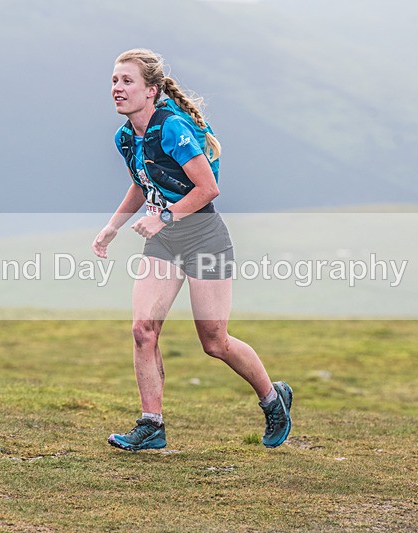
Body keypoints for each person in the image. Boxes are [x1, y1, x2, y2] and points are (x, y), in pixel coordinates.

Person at [92, 48, 292, 451]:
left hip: (203, 236)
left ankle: (273, 398)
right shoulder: (125, 136)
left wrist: (163, 217)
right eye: (114, 81)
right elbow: (142, 181)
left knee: (214, 341)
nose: (117, 88)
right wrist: (112, 227)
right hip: (164, 242)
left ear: (151, 90)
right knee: (142, 330)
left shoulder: (173, 128)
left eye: (127, 81)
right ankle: (152, 425)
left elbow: (208, 189)